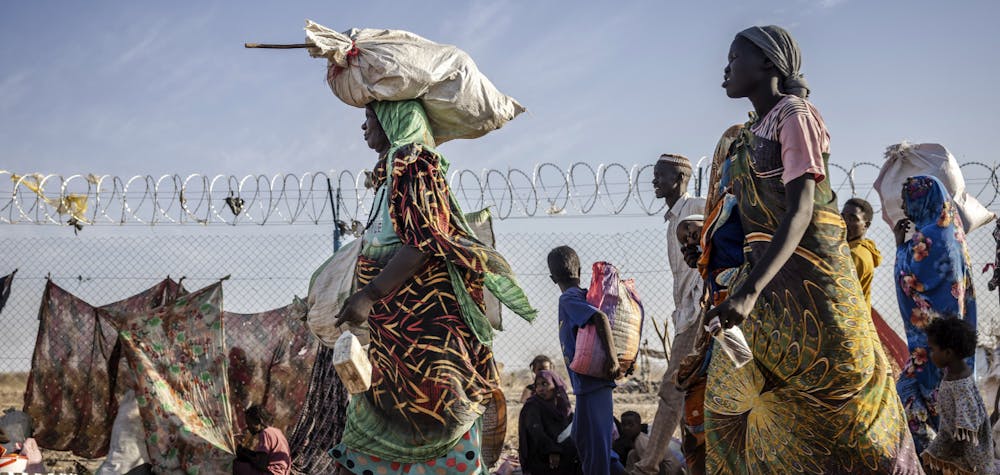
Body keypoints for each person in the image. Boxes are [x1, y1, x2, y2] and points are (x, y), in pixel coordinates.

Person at [702, 25, 920, 473]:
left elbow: (800, 211)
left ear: (767, 63)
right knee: (741, 401)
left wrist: (749, 291)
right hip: (769, 288)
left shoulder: (794, 115)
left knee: (844, 402)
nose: (724, 68)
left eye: (734, 57)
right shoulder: (747, 134)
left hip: (814, 289)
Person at [331, 100, 537, 474]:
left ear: (394, 120)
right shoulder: (388, 176)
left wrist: (369, 294)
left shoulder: (415, 166)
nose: (363, 129)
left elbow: (424, 242)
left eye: (369, 119)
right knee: (369, 437)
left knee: (439, 425)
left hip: (428, 343)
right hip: (394, 346)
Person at [894, 175, 978, 454]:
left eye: (907, 202)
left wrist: (900, 247)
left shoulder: (928, 237)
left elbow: (909, 279)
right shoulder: (953, 233)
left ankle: (933, 457)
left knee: (909, 391)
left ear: (922, 199)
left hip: (934, 347)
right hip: (950, 345)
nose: (905, 210)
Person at [632, 154, 705, 475]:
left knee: (672, 387)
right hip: (687, 311)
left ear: (679, 179)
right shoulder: (673, 218)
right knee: (692, 390)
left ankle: (647, 466)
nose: (654, 182)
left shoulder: (695, 208)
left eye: (660, 176)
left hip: (699, 308)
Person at [548, 245, 625, 475]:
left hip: (592, 385)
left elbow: (599, 318)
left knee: (595, 450)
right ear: (579, 270)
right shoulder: (581, 296)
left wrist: (612, 360)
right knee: (583, 438)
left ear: (552, 278)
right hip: (585, 387)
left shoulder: (569, 299)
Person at [842, 197, 910, 376]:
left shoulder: (855, 255)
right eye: (843, 216)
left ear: (866, 225)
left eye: (853, 218)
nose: (846, 222)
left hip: (849, 327)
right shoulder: (856, 248)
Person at [920, 318, 995, 474]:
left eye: (933, 349)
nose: (930, 354)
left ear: (948, 353)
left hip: (970, 458)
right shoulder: (956, 372)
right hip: (955, 442)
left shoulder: (960, 386)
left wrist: (944, 450)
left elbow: (967, 431)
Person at [518, 370, 581, 475]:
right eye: (537, 385)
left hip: (565, 455)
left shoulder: (562, 404)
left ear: (556, 385)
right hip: (542, 457)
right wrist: (552, 451)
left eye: (545, 384)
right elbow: (536, 433)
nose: (540, 389)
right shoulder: (532, 406)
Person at [234, 406, 291, 475]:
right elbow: (263, 457)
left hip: (272, 472)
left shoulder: (265, 433)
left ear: (259, 421)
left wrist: (244, 454)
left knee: (239, 465)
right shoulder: (277, 431)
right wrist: (247, 452)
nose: (248, 427)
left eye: (249, 424)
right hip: (282, 472)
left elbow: (261, 463)